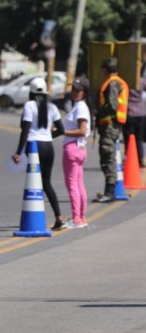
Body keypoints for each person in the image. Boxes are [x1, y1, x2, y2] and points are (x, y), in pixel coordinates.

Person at [12, 77, 65, 230]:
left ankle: (36, 215)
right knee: (46, 183)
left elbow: (26, 130)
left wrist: (18, 152)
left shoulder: (29, 105)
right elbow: (61, 129)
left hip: (34, 146)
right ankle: (59, 217)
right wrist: (47, 137)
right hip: (48, 146)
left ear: (31, 92)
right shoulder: (52, 107)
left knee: (35, 182)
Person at [94, 57, 129, 203]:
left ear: (104, 70)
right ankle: (110, 190)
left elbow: (112, 105)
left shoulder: (113, 83)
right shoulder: (119, 82)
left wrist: (99, 114)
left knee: (107, 156)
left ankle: (110, 192)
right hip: (112, 124)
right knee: (109, 157)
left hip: (110, 124)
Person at [60, 77, 93, 228]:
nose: (74, 92)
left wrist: (62, 131)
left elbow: (82, 130)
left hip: (72, 148)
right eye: (73, 89)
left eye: (78, 90)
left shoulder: (80, 107)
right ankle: (81, 217)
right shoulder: (80, 106)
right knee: (79, 184)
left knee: (73, 184)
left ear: (84, 92)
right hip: (79, 149)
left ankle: (77, 219)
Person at [122, 65, 146, 168]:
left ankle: (129, 159)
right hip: (141, 113)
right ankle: (141, 160)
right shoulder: (142, 82)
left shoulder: (126, 82)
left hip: (129, 112)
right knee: (139, 139)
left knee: (129, 138)